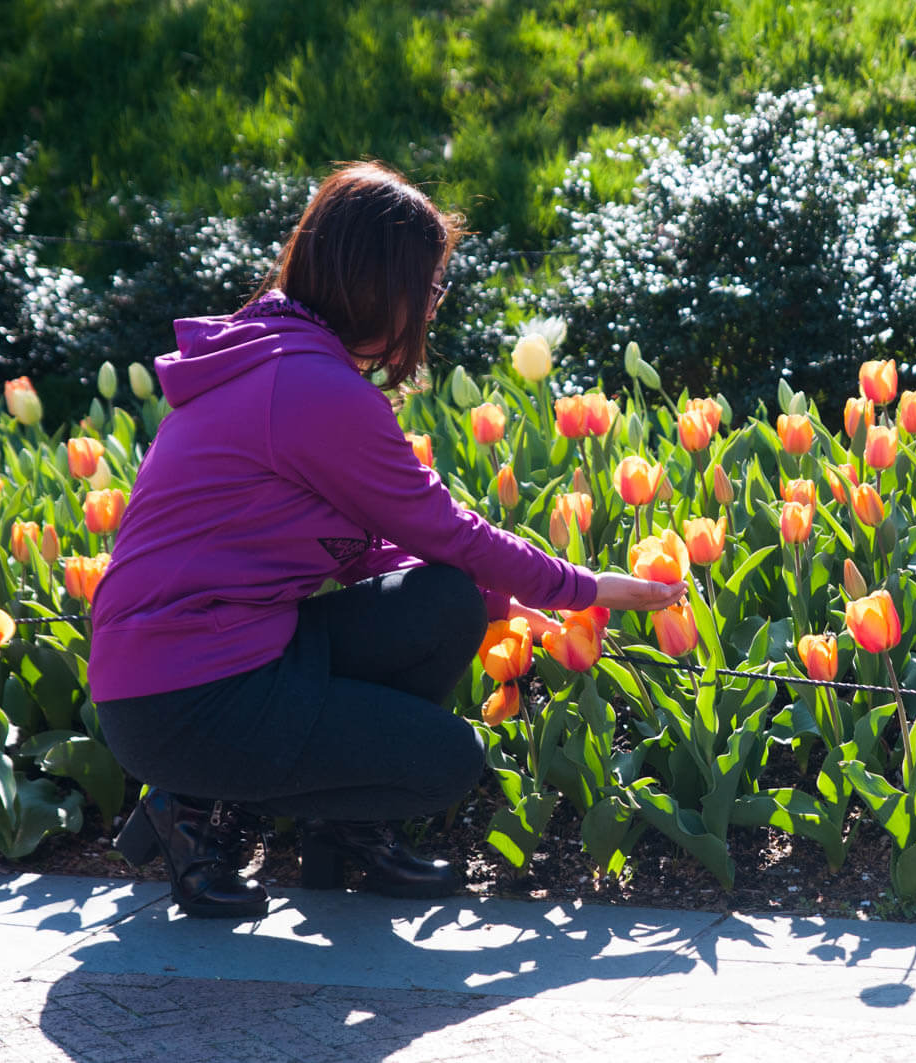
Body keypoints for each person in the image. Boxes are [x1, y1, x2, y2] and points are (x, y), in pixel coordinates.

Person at [90, 161, 684, 920]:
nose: (432, 306)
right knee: (446, 760)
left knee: (443, 599)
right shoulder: (312, 390)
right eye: (430, 287)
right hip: (184, 695)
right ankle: (194, 805)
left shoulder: (279, 361)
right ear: (381, 282)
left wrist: (501, 600)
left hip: (228, 653)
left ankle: (344, 834)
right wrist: (587, 588)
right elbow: (444, 525)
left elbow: (382, 542)